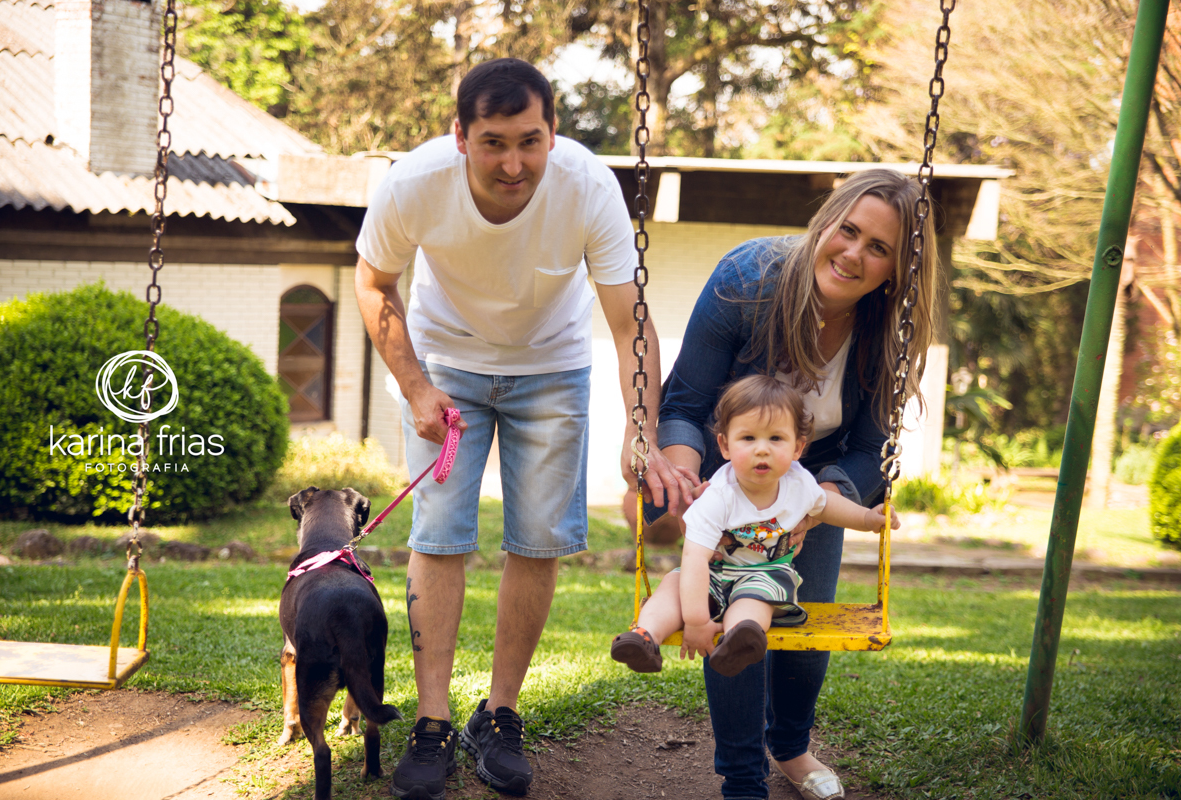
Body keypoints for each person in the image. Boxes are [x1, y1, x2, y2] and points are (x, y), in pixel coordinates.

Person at [354, 58, 694, 800]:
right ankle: (434, 721)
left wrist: (641, 428)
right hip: (446, 365)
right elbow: (372, 282)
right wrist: (415, 385)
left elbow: (629, 321)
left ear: (553, 133)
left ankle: (499, 715)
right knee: (440, 535)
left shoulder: (586, 185)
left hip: (552, 366)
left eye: (530, 141)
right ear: (459, 137)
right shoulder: (413, 184)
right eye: (494, 142)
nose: (514, 163)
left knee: (538, 539)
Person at [643, 168, 937, 800]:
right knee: (733, 620)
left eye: (879, 248)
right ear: (826, 222)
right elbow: (689, 400)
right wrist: (686, 472)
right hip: (730, 465)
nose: (854, 254)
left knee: (802, 625)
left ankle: (792, 749)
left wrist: (819, 503)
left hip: (820, 473)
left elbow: (871, 448)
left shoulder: (891, 328)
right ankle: (742, 776)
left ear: (896, 269)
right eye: (848, 231)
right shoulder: (747, 281)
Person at [610, 375, 899, 678]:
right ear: (724, 445)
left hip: (765, 574)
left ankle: (738, 640)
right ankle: (644, 637)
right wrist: (695, 621)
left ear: (798, 447)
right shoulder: (718, 495)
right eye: (748, 439)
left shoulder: (798, 484)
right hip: (711, 574)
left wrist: (868, 519)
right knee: (672, 587)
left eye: (776, 439)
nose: (762, 449)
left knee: (756, 599)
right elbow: (695, 559)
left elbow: (826, 505)